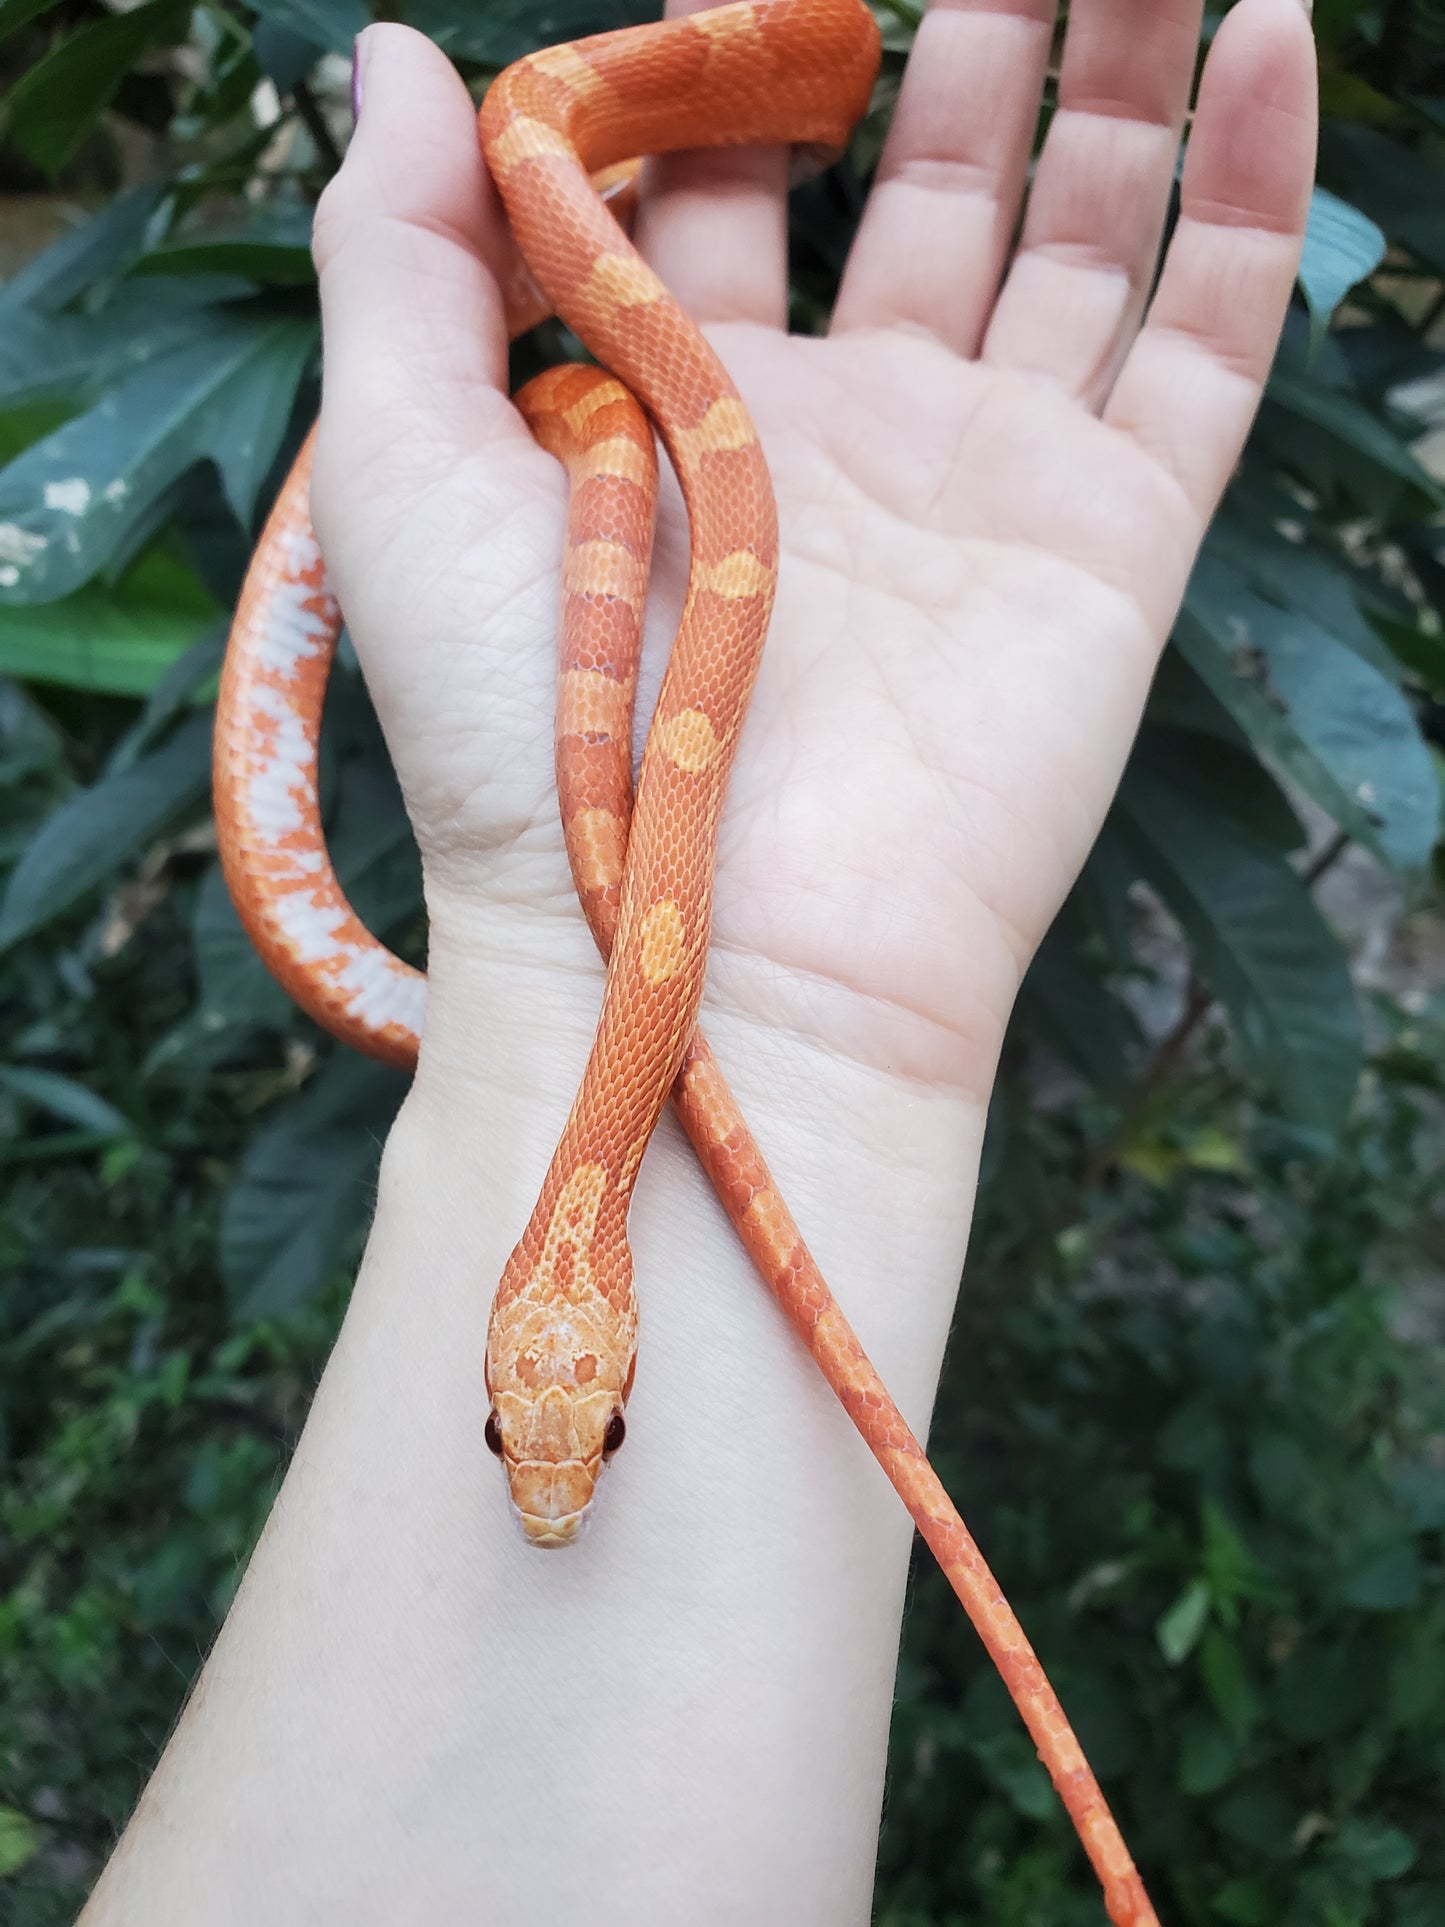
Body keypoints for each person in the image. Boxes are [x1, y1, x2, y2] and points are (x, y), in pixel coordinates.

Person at [81, 0, 1318, 1919]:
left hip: (662, 457)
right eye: (575, 1421)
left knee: (547, 140)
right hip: (636, 581)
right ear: (590, 1355)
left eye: (531, 1422)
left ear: (534, 1343)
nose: (551, 1462)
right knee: (547, 192)